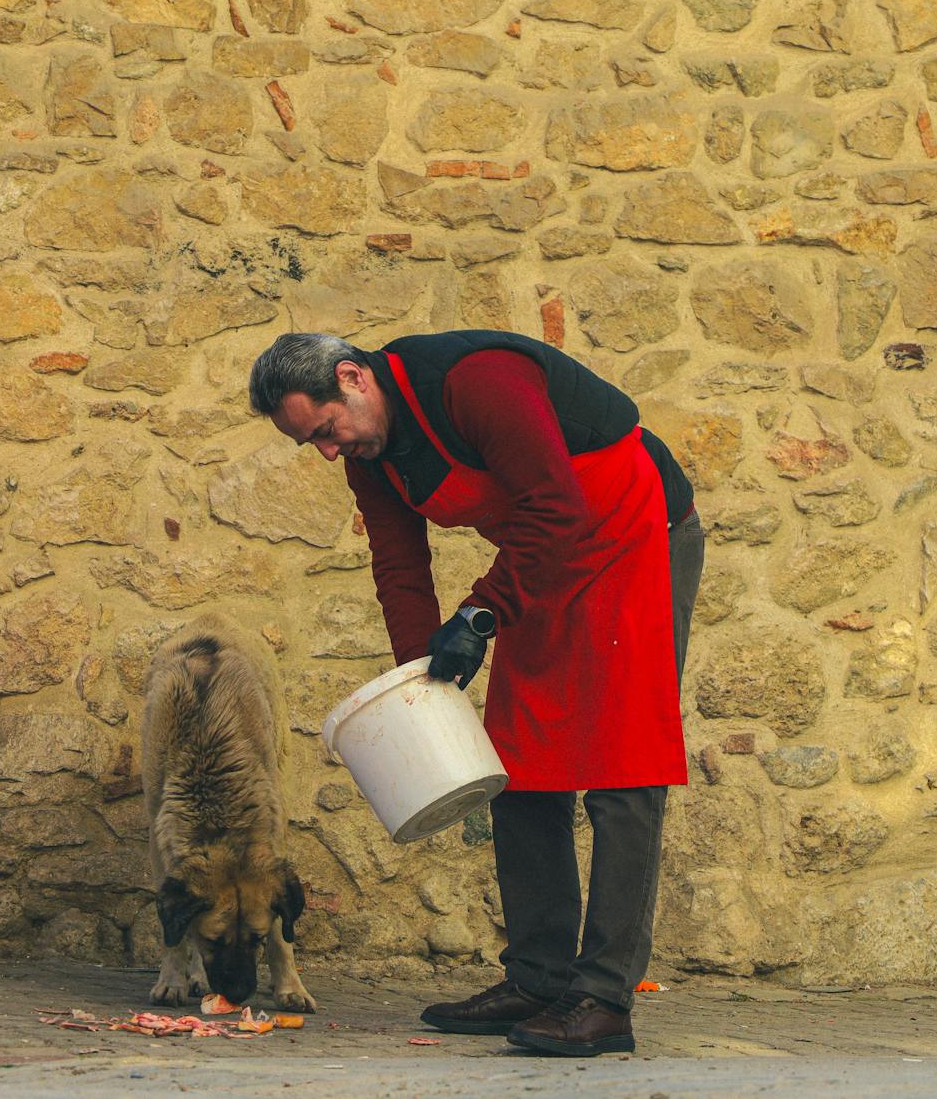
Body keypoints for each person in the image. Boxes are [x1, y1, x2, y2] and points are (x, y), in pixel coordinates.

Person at [248, 329, 704, 1058]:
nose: (329, 451)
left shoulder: (477, 380)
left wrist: (481, 612)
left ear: (352, 378)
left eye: (326, 431)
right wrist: (416, 682)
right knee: (520, 763)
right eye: (313, 444)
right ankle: (539, 976)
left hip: (634, 531)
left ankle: (605, 997)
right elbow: (398, 564)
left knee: (623, 768)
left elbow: (556, 503)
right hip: (543, 558)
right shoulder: (373, 458)